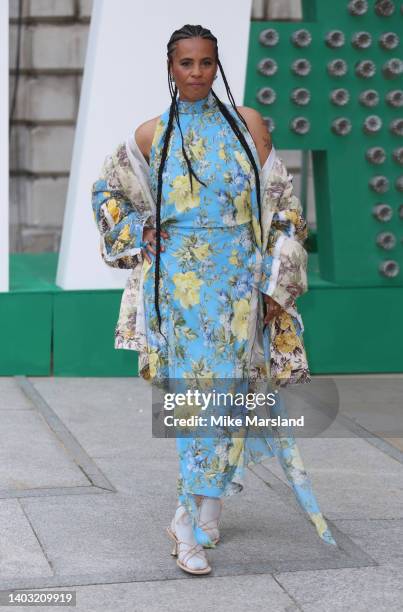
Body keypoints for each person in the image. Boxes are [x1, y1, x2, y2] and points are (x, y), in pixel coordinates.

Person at [92, 23, 337, 577]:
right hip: (178, 289)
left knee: (230, 395)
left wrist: (278, 283)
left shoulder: (248, 124)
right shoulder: (152, 135)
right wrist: (138, 234)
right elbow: (109, 191)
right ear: (171, 68)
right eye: (186, 63)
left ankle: (208, 506)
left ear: (217, 65)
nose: (197, 72)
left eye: (206, 62)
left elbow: (282, 206)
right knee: (200, 396)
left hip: (240, 287)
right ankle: (187, 521)